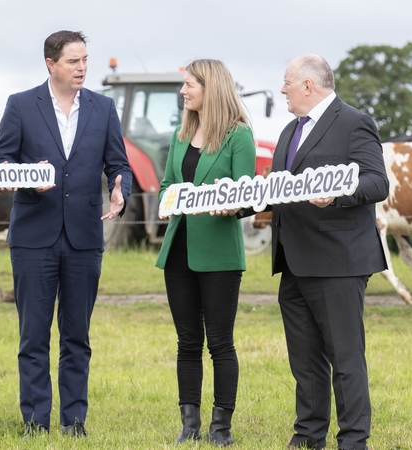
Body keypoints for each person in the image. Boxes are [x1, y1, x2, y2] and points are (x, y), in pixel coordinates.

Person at [0, 30, 132, 438]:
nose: (82, 68)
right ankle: (35, 423)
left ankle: (74, 423)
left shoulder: (104, 109)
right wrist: (26, 180)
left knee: (77, 336)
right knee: (33, 335)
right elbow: (2, 161)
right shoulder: (20, 105)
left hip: (85, 237)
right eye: (73, 61)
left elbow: (118, 163)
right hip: (34, 236)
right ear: (51, 64)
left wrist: (120, 185)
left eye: (85, 59)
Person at [270, 54, 388, 450]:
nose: (282, 88)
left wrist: (340, 193)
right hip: (293, 261)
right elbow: (280, 189)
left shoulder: (354, 122)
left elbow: (377, 182)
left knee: (345, 359)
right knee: (304, 361)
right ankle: (307, 436)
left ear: (307, 84)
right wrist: (242, 201)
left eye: (287, 81)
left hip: (339, 261)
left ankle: (354, 441)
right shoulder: (289, 131)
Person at [155, 59, 256, 447]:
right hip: (178, 252)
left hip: (219, 254)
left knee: (220, 342)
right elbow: (167, 185)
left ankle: (221, 428)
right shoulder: (182, 135)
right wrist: (172, 198)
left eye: (189, 84)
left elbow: (248, 195)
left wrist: (234, 204)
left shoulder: (238, 136)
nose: (183, 91)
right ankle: (189, 424)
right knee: (186, 342)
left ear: (210, 87)